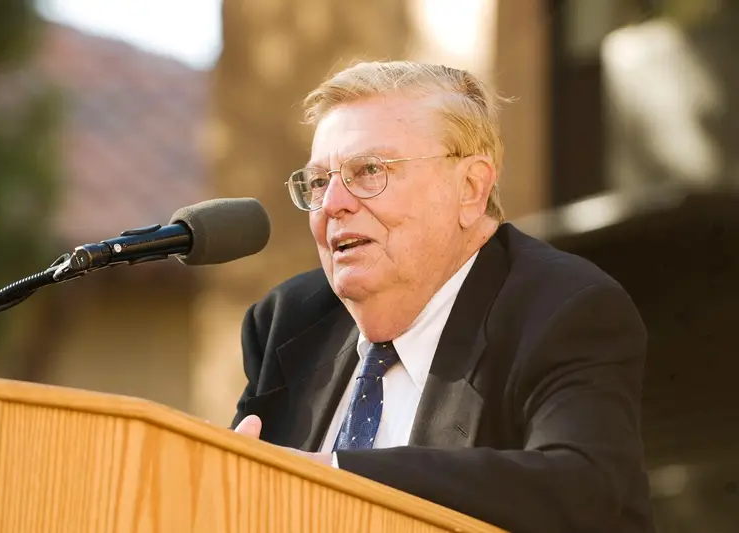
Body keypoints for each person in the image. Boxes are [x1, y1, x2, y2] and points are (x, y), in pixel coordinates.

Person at [230, 60, 654, 533]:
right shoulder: (289, 321)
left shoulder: (563, 309)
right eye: (319, 181)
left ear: (471, 189)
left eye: (368, 171)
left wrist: (332, 481)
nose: (332, 204)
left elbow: (579, 489)